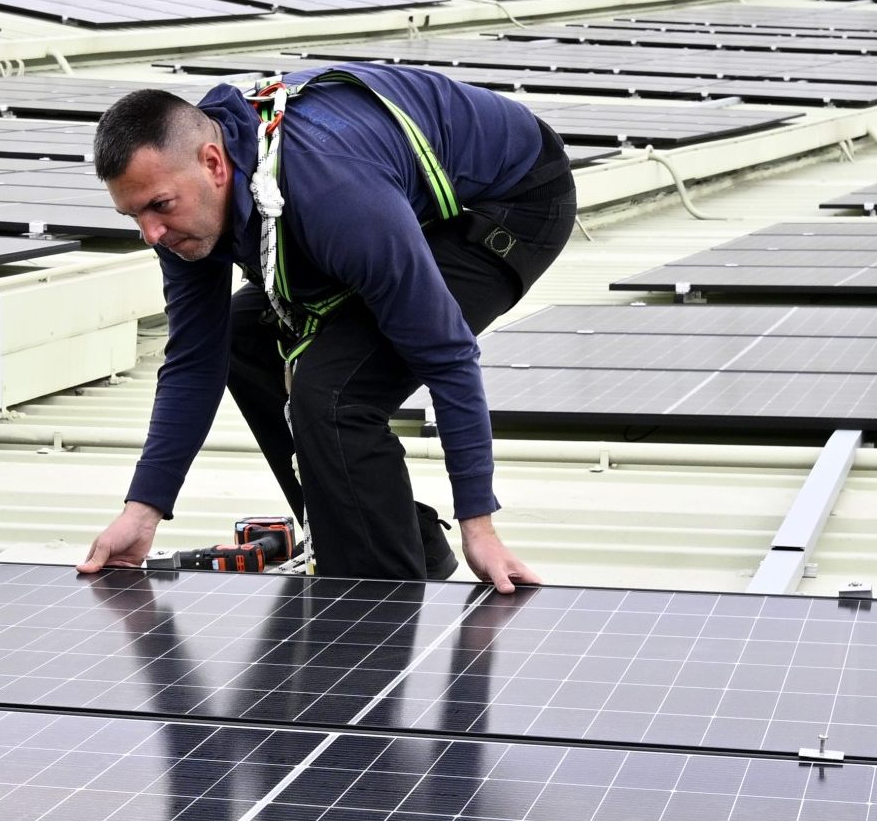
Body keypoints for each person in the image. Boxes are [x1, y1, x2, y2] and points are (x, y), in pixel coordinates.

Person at [78, 65, 576, 592]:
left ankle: (374, 611)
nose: (151, 233)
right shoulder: (182, 204)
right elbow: (195, 360)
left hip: (510, 205)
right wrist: (143, 511)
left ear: (214, 164)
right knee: (242, 338)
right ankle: (397, 537)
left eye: (158, 208)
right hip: (391, 197)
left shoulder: (335, 194)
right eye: (134, 216)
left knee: (334, 392)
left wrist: (479, 526)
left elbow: (447, 354)